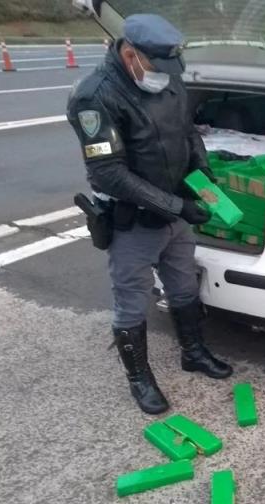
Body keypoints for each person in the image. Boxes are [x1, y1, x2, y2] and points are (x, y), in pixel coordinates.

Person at [66, 14, 232, 415]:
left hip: (177, 211)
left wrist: (206, 185)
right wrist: (179, 207)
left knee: (184, 287)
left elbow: (187, 132)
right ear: (130, 54)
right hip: (133, 222)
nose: (166, 76)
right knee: (132, 302)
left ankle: (193, 352)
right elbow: (109, 173)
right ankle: (140, 378)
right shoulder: (95, 96)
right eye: (158, 67)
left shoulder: (166, 75)